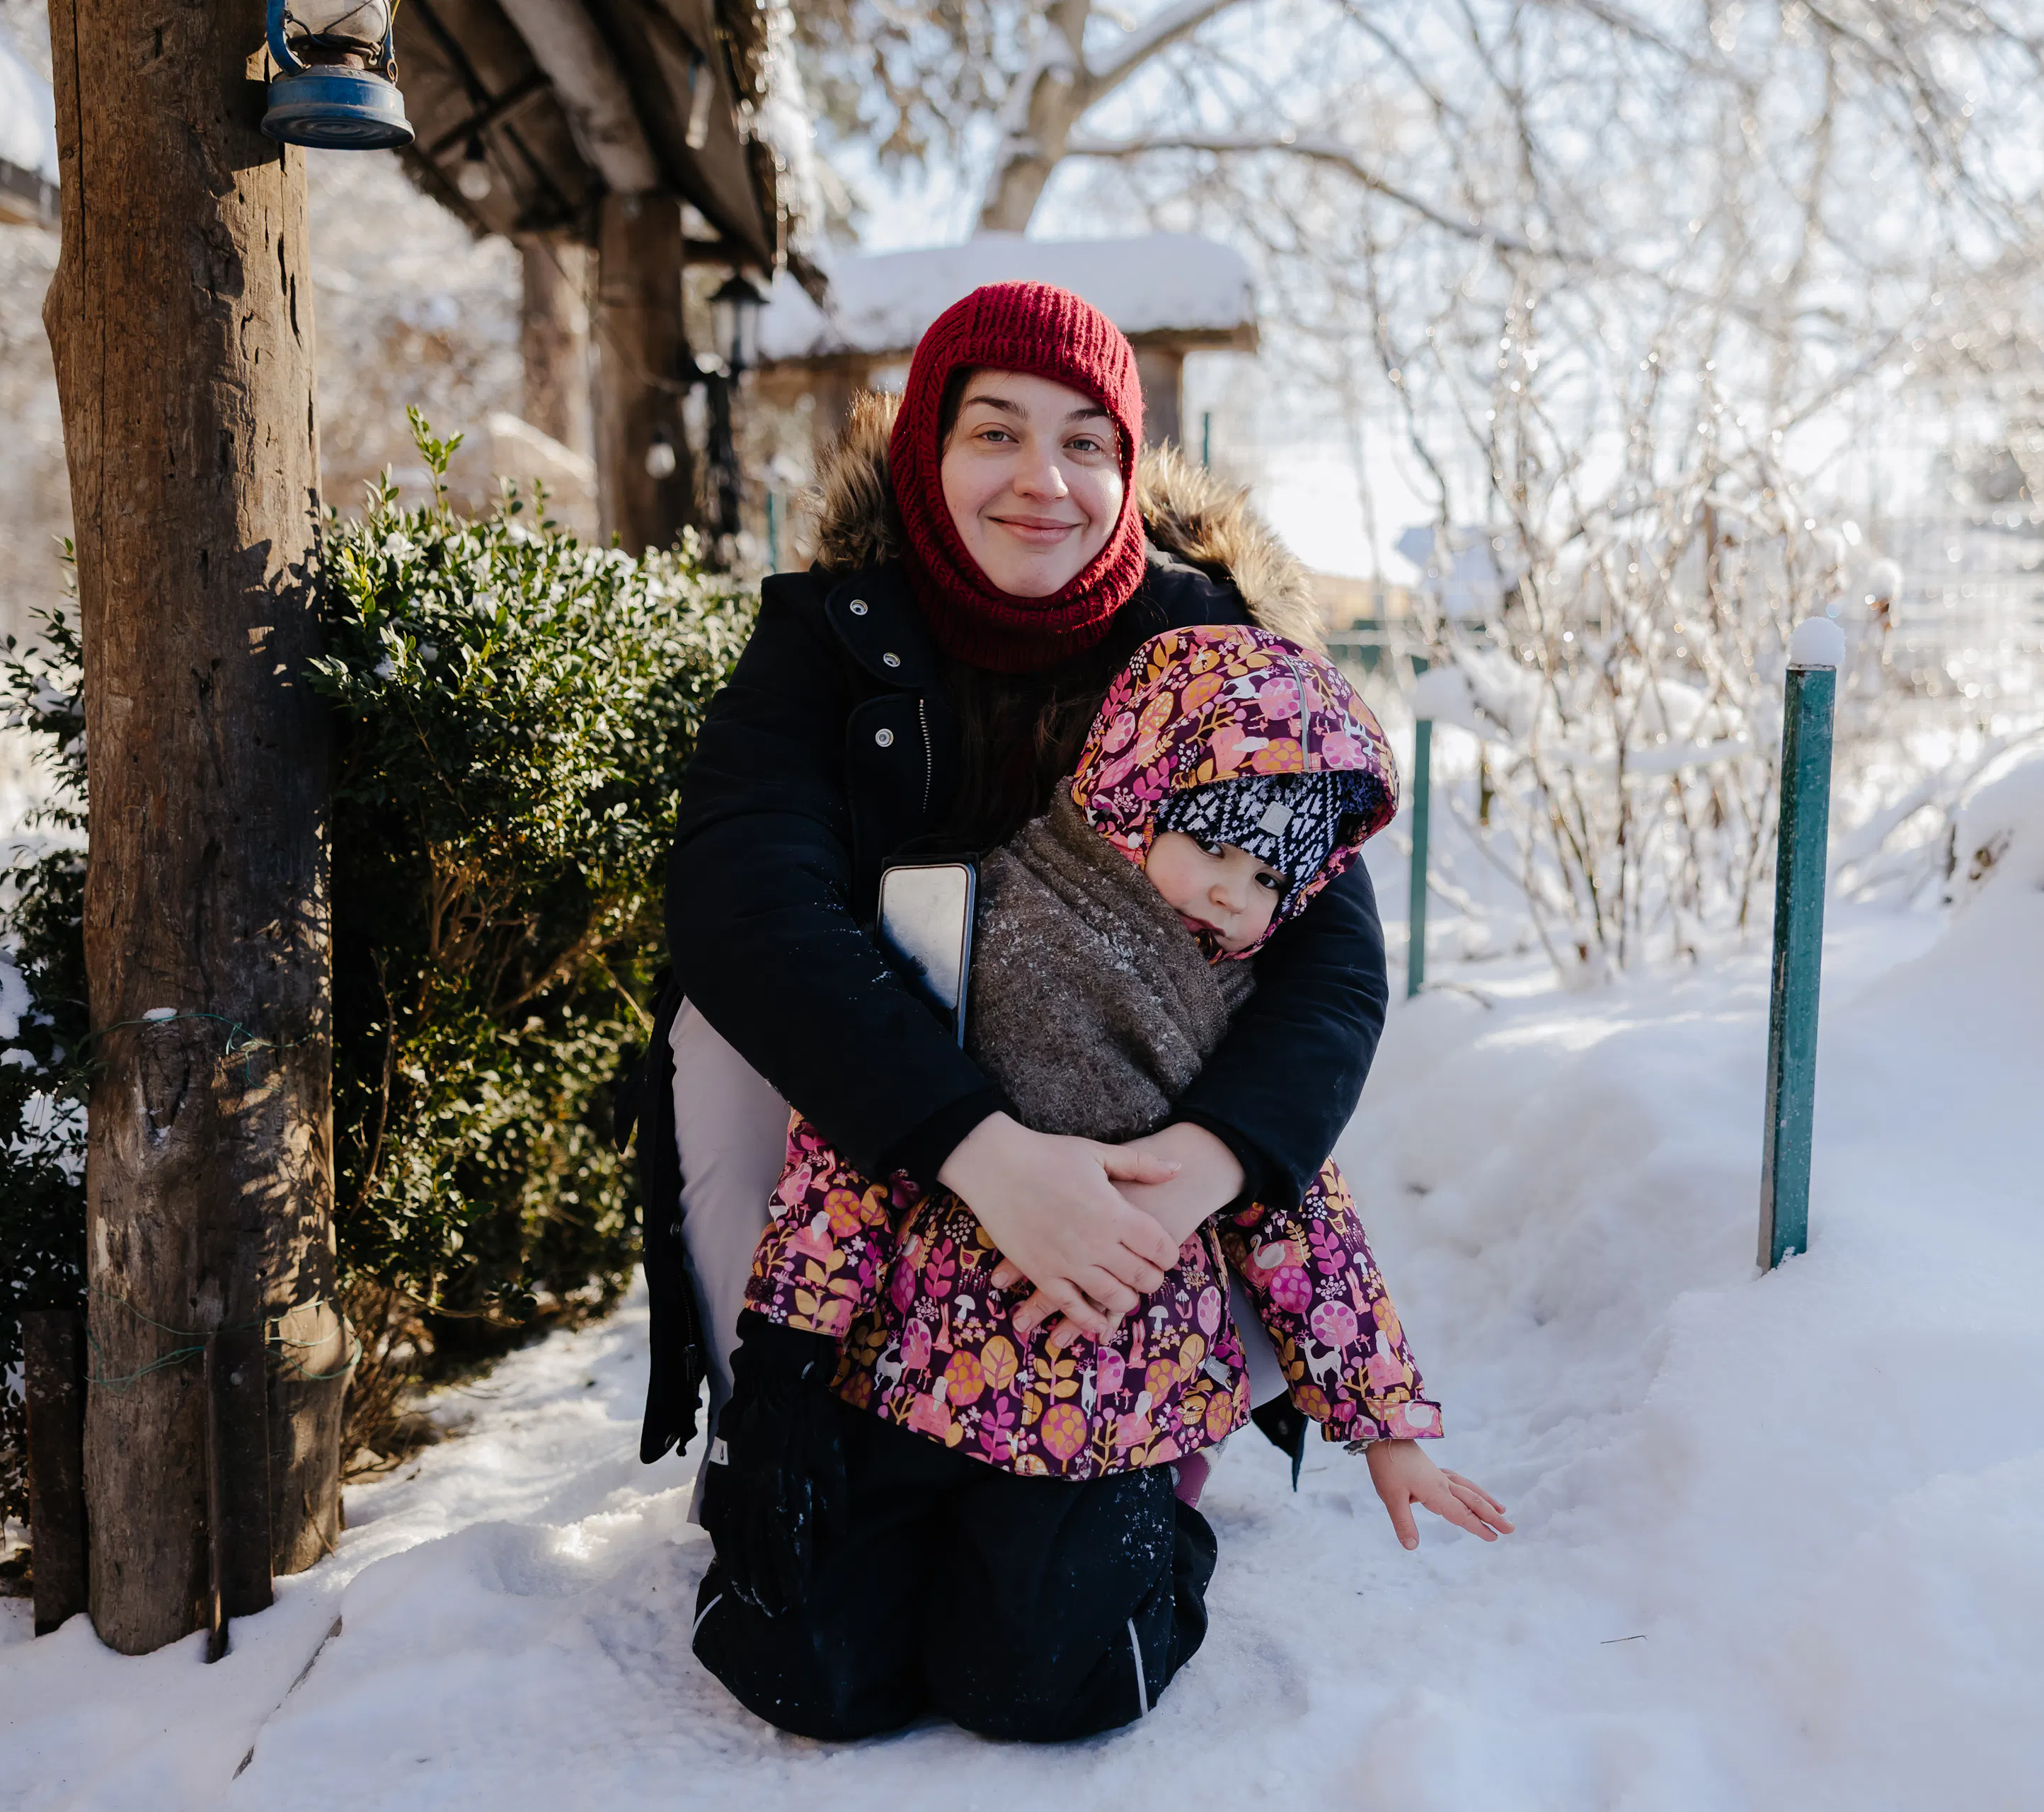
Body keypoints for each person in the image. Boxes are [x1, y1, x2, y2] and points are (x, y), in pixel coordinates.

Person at [634, 280, 1404, 1731]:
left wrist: (1211, 1165)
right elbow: (744, 899)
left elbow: (1334, 966)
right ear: (930, 446)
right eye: (995, 431)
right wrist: (976, 1147)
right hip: (878, 1170)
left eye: (1084, 442)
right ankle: (797, 1415)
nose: (1042, 480)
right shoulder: (824, 636)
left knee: (1046, 1676)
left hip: (1127, 1183)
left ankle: (1147, 1449)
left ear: (1128, 471)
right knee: (821, 1668)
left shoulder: (1215, 648)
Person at [691, 621, 1512, 1742]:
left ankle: (1144, 1551)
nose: (1232, 896)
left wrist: (1386, 1429)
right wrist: (785, 1363)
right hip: (913, 1372)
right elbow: (846, 1160)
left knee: (1037, 1685)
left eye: (1269, 875)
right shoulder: (970, 931)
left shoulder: (1234, 1022)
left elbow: (1303, 1223)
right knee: (809, 1670)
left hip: (1103, 1406)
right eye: (1212, 846)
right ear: (1137, 785)